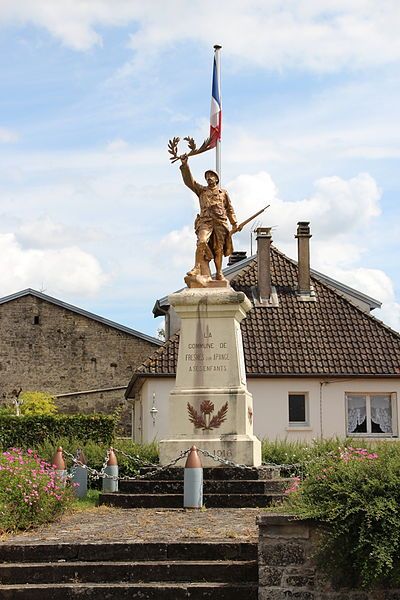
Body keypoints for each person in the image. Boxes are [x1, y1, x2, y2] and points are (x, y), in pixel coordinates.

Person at [179, 154, 240, 283]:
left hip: (220, 223)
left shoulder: (223, 193)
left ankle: (219, 273)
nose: (209, 178)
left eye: (211, 176)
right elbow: (190, 182)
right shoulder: (201, 191)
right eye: (207, 176)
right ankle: (197, 267)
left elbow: (229, 209)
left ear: (216, 179)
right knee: (201, 241)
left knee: (218, 250)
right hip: (206, 222)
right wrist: (185, 166)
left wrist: (234, 223)